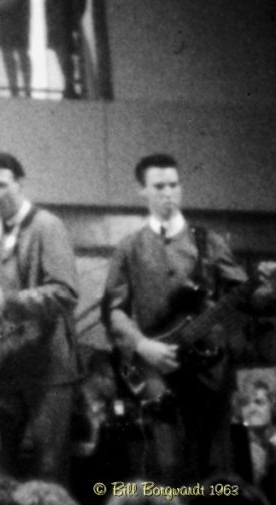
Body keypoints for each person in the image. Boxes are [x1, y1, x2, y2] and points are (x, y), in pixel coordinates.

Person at [101, 153, 276, 485]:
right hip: (160, 374)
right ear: (142, 190)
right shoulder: (129, 247)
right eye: (159, 186)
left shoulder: (209, 242)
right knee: (168, 471)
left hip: (210, 373)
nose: (168, 193)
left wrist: (269, 290)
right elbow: (114, 309)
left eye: (174, 185)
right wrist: (141, 345)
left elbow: (246, 297)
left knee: (217, 472)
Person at [0, 151, 79, 484]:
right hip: (3, 367)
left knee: (48, 469)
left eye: (1, 184)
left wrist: (7, 301)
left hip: (47, 370)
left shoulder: (47, 225)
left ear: (20, 183)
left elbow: (65, 293)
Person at [0, 0, 32, 98]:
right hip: (0, 8)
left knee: (21, 49)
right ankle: (14, 89)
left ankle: (26, 89)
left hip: (18, 7)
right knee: (6, 48)